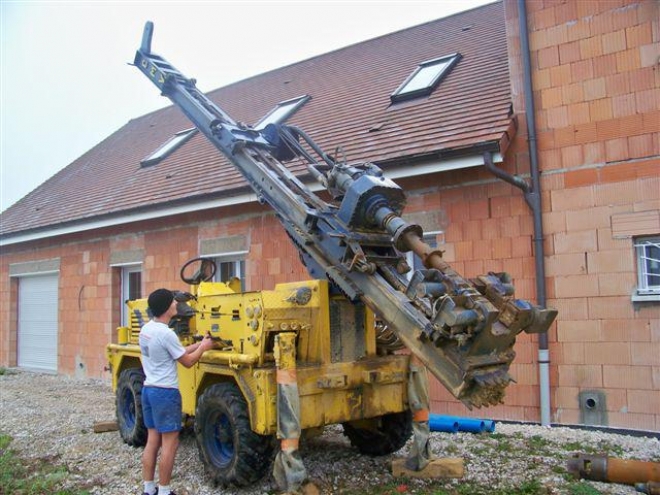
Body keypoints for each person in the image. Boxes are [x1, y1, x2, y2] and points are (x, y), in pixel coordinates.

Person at [139, 288, 214, 495]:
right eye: (173, 302)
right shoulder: (166, 333)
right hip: (165, 394)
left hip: (149, 390)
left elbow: (174, 353)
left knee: (152, 440)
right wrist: (205, 347)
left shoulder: (146, 330)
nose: (176, 305)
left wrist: (197, 344)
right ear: (165, 308)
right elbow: (188, 362)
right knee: (170, 444)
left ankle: (148, 489)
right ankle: (164, 491)